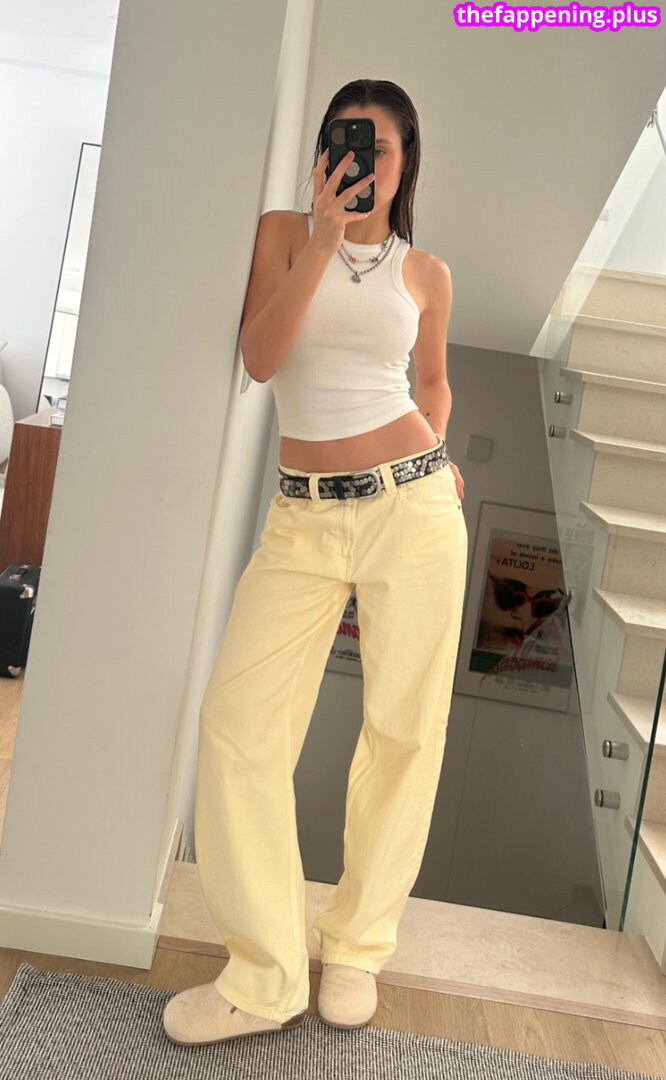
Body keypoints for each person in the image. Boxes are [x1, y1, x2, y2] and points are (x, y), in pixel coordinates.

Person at [163, 78, 468, 1048]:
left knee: (404, 733)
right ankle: (266, 972)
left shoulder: (428, 274)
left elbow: (432, 385)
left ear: (405, 164)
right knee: (238, 725)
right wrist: (325, 242)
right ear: (322, 152)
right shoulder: (285, 236)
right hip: (302, 516)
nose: (361, 160)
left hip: (413, 507)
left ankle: (358, 948)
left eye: (381, 147)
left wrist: (437, 459)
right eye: (346, 140)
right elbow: (260, 358)